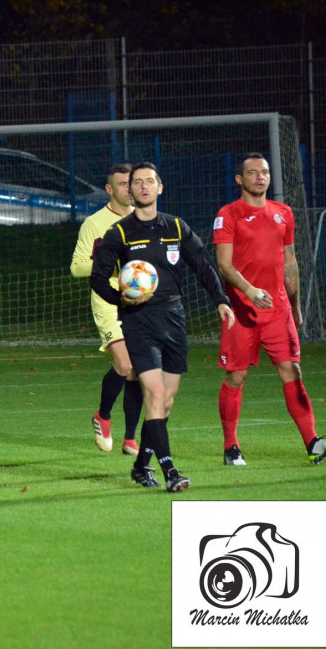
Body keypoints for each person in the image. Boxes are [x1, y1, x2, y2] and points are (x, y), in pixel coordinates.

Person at [90, 162, 235, 493]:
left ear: (160, 187)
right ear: (129, 191)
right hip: (138, 322)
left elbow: (203, 266)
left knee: (165, 402)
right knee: (153, 393)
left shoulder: (177, 227)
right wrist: (121, 300)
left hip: (173, 319)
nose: (142, 187)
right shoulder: (120, 233)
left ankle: (141, 466)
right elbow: (98, 278)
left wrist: (221, 300)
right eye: (136, 183)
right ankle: (169, 470)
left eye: (149, 182)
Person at [213, 152, 326, 465]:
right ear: (240, 179)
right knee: (236, 376)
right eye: (252, 173)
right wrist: (250, 290)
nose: (260, 177)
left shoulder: (283, 213)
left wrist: (296, 306)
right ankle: (231, 447)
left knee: (292, 370)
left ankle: (313, 442)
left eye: (264, 172)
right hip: (241, 311)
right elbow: (223, 264)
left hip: (278, 311)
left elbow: (289, 262)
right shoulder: (229, 214)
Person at [70, 164, 143, 455]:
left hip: (140, 302)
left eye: (133, 183)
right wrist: (112, 265)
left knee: (137, 371)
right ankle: (103, 415)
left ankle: (130, 438)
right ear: (110, 189)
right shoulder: (94, 223)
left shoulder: (145, 220)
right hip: (107, 299)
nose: (130, 189)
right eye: (124, 184)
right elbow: (76, 267)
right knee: (124, 365)